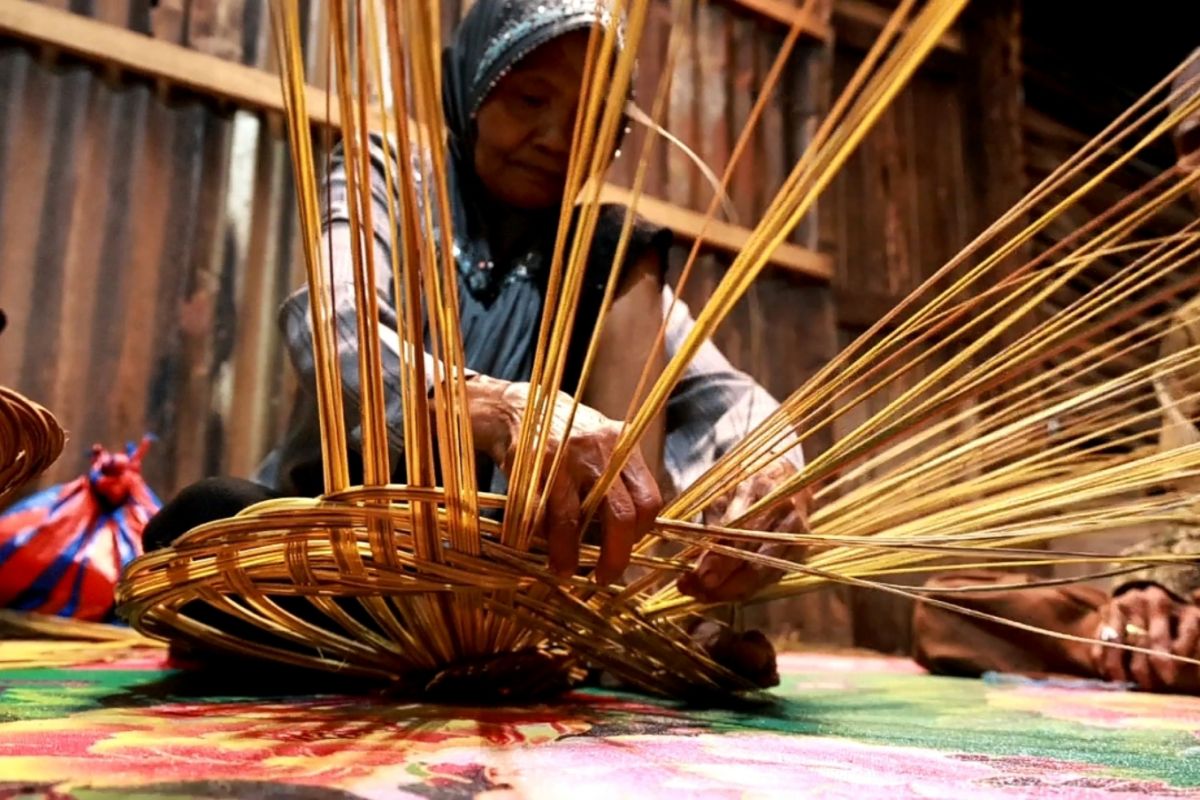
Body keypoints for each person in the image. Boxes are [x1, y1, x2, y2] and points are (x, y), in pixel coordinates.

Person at [144, 0, 809, 686]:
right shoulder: (396, 175)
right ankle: (503, 638)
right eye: (530, 99)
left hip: (518, 572)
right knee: (204, 520)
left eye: (594, 121)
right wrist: (494, 408)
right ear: (476, 84)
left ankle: (611, 616)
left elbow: (723, 395)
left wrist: (772, 477)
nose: (558, 137)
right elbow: (332, 324)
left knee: (624, 238)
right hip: (359, 552)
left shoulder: (602, 261)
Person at [912, 52, 1200, 694]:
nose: (1187, 169)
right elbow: (1188, 504)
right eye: (1183, 145)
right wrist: (1152, 591)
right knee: (952, 606)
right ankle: (1147, 652)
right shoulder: (1193, 326)